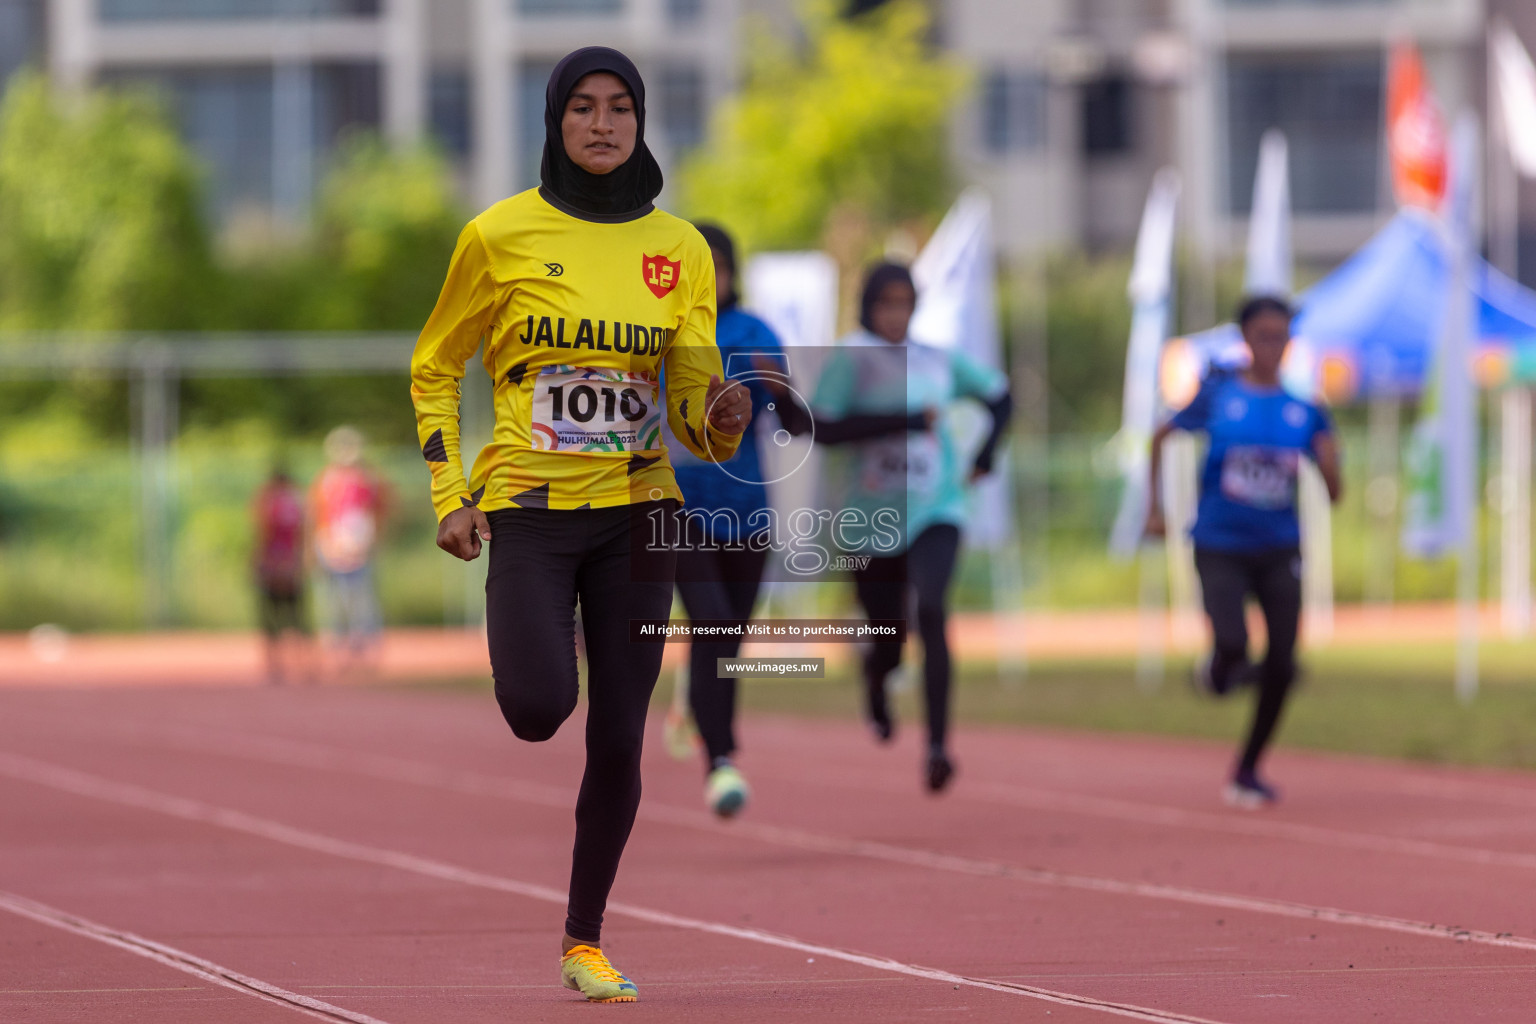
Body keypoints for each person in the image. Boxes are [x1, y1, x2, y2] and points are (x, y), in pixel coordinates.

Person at [410, 47, 750, 1004]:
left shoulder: (680, 250)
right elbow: (436, 364)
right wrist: (449, 493)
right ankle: (535, 639)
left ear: (641, 122)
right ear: (556, 121)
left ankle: (584, 939)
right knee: (536, 710)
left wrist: (717, 417)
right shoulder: (499, 235)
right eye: (583, 110)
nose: (602, 126)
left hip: (641, 513)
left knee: (620, 739)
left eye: (621, 109)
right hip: (530, 508)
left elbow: (690, 403)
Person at [810, 262, 1013, 793]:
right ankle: (877, 682)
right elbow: (823, 429)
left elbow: (1000, 396)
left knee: (931, 606)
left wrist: (987, 453)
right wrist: (899, 421)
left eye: (905, 303)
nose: (896, 315)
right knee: (888, 639)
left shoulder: (936, 360)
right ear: (867, 308)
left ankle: (939, 745)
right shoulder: (851, 358)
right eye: (886, 304)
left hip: (936, 506)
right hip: (869, 519)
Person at [1145, 295, 1342, 809]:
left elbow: (1334, 489)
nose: (1272, 346)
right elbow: (1160, 436)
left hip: (1279, 548)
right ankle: (1218, 668)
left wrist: (1329, 461)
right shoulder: (1218, 394)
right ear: (1245, 339)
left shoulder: (1305, 409)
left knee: (1282, 660)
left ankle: (1249, 768)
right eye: (1263, 335)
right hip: (1219, 544)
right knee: (1233, 642)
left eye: (1282, 337)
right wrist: (1154, 508)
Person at [668, 222, 799, 819]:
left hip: (747, 513)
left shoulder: (754, 332)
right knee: (714, 622)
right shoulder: (660, 330)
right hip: (679, 508)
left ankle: (699, 712)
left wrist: (782, 389)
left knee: (725, 642)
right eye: (698, 267)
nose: (710, 278)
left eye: (718, 266)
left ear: (733, 272)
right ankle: (721, 759)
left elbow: (795, 423)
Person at [308, 426, 389, 676]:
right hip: (331, 549)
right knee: (334, 602)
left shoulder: (368, 479)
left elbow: (378, 512)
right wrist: (320, 544)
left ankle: (365, 651)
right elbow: (317, 514)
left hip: (359, 549)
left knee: (362, 602)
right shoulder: (326, 479)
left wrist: (371, 541)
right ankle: (338, 651)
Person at [252, 465, 310, 683]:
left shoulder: (268, 503)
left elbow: (262, 533)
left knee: (271, 616)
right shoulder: (297, 503)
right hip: (291, 563)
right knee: (297, 615)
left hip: (273, 563)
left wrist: (258, 562)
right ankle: (305, 663)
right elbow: (303, 535)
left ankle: (275, 665)